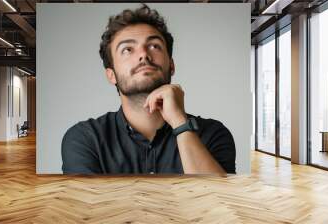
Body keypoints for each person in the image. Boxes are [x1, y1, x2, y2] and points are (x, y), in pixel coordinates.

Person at [62, 4, 236, 175]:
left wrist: (181, 125)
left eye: (154, 46)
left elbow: (217, 201)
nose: (143, 54)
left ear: (172, 65)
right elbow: (86, 203)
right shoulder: (84, 139)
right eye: (127, 49)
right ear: (111, 75)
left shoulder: (213, 134)